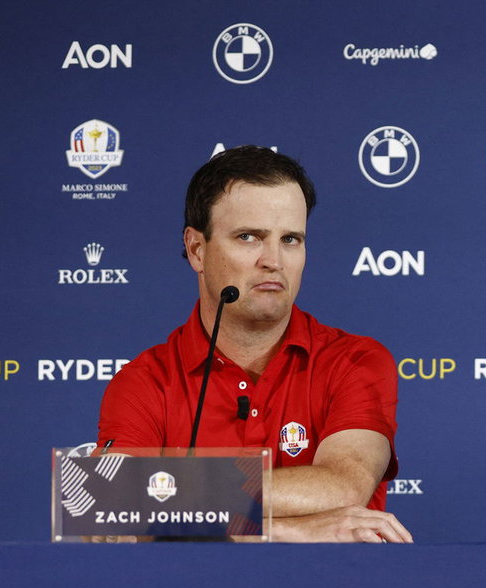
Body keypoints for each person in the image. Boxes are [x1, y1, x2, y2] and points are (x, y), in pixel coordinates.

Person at [98, 146, 411, 543]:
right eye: (249, 237)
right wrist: (288, 530)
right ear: (196, 249)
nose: (274, 261)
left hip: (334, 584)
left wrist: (173, 496)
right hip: (192, 585)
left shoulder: (356, 361)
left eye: (291, 239)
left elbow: (343, 486)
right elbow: (111, 512)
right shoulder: (143, 382)